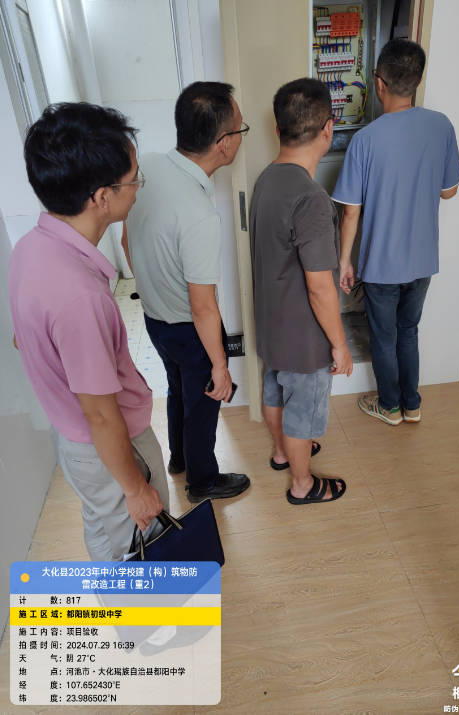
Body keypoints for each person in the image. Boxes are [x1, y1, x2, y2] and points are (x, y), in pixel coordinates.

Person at [9, 103, 168, 561]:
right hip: (110, 449)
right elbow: (100, 415)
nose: (137, 188)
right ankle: (142, 612)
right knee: (144, 547)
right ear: (102, 197)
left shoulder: (29, 249)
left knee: (103, 533)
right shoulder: (81, 297)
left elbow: (24, 338)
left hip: (72, 441)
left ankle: (115, 603)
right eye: (134, 179)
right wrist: (135, 488)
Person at [123, 82, 250, 503]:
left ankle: (178, 458)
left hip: (155, 320)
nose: (241, 136)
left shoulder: (147, 167)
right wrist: (221, 365)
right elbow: (203, 307)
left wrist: (152, 285)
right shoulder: (199, 216)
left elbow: (126, 239)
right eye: (240, 129)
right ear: (224, 143)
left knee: (178, 389)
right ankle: (203, 481)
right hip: (188, 328)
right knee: (205, 402)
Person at [333, 38, 459, 426]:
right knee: (408, 332)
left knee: (384, 336)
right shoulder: (441, 126)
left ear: (379, 83)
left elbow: (350, 213)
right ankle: (412, 404)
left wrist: (344, 261)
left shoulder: (365, 140)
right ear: (418, 80)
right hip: (422, 260)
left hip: (382, 265)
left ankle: (389, 406)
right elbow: (449, 191)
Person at [250, 78, 353, 506]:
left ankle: (281, 453)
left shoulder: (266, 179)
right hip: (303, 337)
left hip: (271, 324)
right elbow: (320, 287)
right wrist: (340, 345)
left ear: (278, 130)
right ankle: (301, 485)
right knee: (302, 411)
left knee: (274, 390)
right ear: (329, 128)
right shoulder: (311, 199)